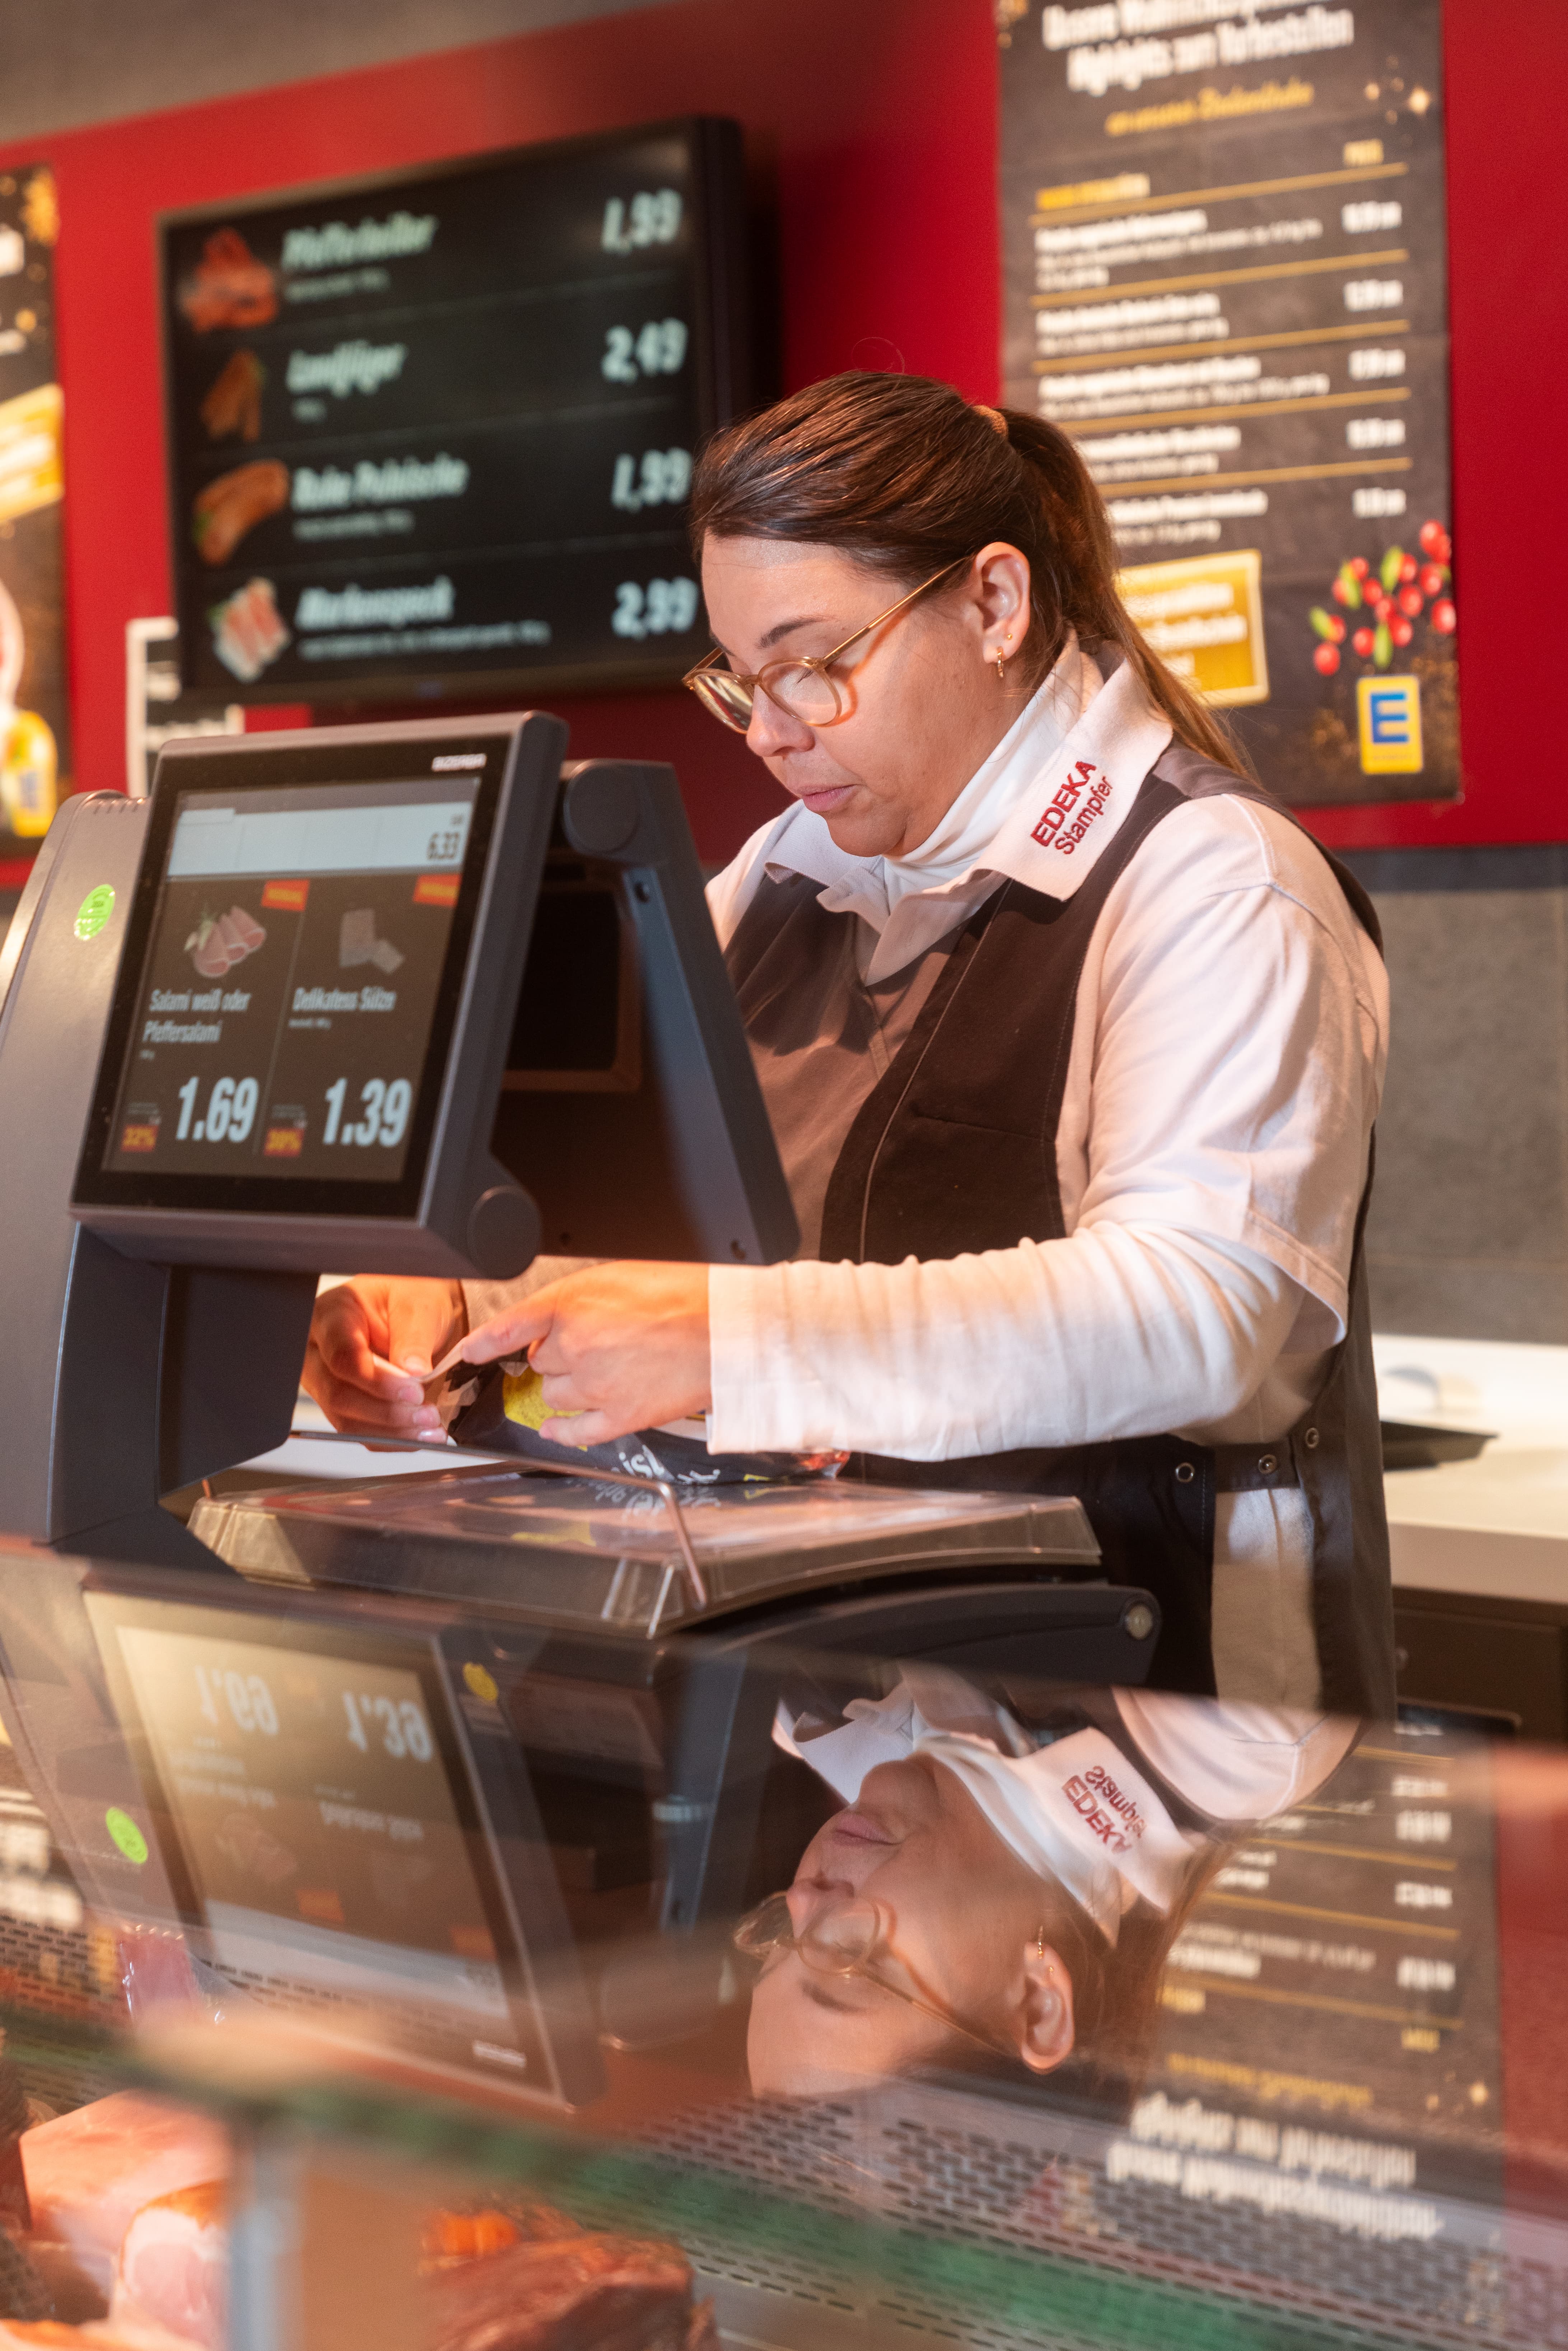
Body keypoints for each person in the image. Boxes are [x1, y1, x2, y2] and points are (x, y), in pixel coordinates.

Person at [303, 370, 1392, 1714]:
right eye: (742, 680)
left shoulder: (1218, 882)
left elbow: (1198, 1317)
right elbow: (637, 1206)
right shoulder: (783, 873)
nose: (770, 735)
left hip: (1154, 1728)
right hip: (856, 1712)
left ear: (993, 604)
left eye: (814, 666)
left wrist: (733, 1341)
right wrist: (450, 1295)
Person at [739, 1668, 1359, 2103]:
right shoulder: (1237, 1738)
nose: (803, 1897)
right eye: (850, 1960)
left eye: (782, 1935)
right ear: (1038, 2001)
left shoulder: (795, 1699)